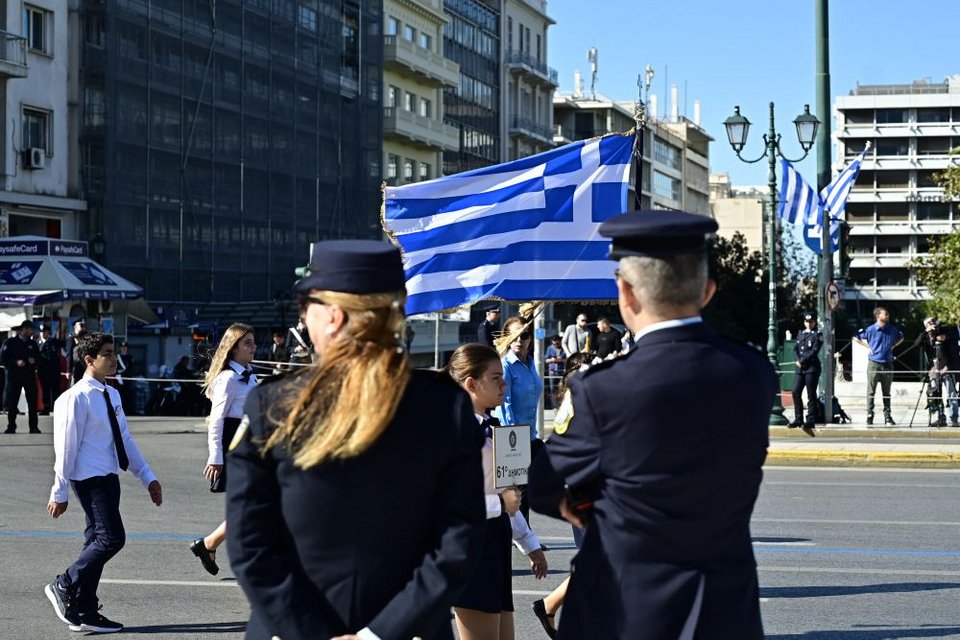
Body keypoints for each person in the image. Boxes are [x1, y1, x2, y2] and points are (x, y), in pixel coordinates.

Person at [528, 210, 776, 639]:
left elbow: (545, 485)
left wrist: (592, 511)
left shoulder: (601, 387)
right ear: (707, 290)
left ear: (625, 292)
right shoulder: (753, 372)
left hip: (625, 607)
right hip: (724, 607)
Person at [226, 239, 485, 640]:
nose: (302, 318)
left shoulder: (272, 404)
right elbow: (457, 544)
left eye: (305, 306)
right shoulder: (445, 407)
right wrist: (378, 635)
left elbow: (249, 543)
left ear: (332, 316)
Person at [45, 332, 163, 633]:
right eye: (107, 354)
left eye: (114, 352)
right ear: (89, 360)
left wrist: (147, 476)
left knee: (95, 540)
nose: (114, 358)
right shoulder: (75, 398)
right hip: (88, 478)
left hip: (109, 475)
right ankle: (65, 583)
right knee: (111, 538)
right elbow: (66, 449)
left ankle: (85, 608)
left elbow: (124, 439)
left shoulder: (112, 394)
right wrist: (59, 491)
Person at [444, 344, 548, 640]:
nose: (505, 384)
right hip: (469, 543)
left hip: (495, 538)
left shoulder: (493, 429)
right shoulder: (452, 432)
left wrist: (529, 542)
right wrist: (499, 504)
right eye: (496, 378)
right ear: (471, 384)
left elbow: (507, 493)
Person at [188, 323, 258, 576]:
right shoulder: (228, 379)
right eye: (247, 343)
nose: (253, 347)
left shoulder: (250, 375)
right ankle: (216, 547)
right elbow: (217, 421)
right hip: (236, 446)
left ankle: (209, 544)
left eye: (253, 342)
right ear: (233, 347)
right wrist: (215, 456)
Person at [494, 315, 544, 524]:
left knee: (527, 493)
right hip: (513, 439)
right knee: (517, 496)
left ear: (530, 338)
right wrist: (513, 442)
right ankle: (518, 535)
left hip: (530, 436)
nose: (518, 340)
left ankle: (524, 533)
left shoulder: (531, 363)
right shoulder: (506, 365)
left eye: (523, 335)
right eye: (512, 335)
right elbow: (504, 405)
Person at [853, 307, 904, 425]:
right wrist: (867, 347)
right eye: (885, 314)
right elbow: (856, 337)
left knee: (887, 392)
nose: (887, 316)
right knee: (871, 391)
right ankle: (870, 414)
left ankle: (887, 416)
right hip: (874, 363)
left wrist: (893, 346)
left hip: (887, 363)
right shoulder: (870, 329)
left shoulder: (892, 329)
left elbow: (901, 337)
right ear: (878, 316)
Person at [911, 317, 960, 427]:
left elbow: (955, 338)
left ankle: (954, 418)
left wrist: (945, 337)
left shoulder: (945, 330)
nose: (933, 323)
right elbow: (916, 344)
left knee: (952, 394)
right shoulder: (925, 336)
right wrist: (926, 332)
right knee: (936, 395)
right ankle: (940, 417)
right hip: (933, 370)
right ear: (926, 325)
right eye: (929, 322)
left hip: (947, 368)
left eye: (933, 321)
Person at [1, 320, 41, 433]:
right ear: (23, 329)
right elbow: (3, 358)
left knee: (32, 402)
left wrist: (34, 361)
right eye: (29, 329)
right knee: (13, 403)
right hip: (14, 377)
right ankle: (11, 426)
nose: (30, 332)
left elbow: (39, 358)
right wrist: (15, 362)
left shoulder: (32, 344)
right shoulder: (10, 342)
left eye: (31, 329)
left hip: (29, 376)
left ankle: (33, 427)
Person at [791, 311, 822, 436]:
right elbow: (795, 349)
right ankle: (798, 418)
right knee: (795, 391)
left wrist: (802, 360)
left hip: (811, 368)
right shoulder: (800, 333)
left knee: (811, 394)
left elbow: (814, 350)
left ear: (814, 322)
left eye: (811, 322)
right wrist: (797, 359)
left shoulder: (817, 335)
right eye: (806, 322)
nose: (808, 324)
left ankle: (811, 420)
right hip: (800, 368)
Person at [37, 325, 64, 415]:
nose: (42, 333)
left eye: (44, 331)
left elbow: (64, 344)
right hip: (43, 370)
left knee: (55, 389)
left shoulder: (53, 341)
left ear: (48, 332)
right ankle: (46, 407)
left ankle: (57, 407)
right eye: (41, 332)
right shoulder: (37, 342)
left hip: (53, 370)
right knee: (45, 389)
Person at [544, 335, 564, 410]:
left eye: (557, 344)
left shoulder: (564, 348)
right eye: (554, 344)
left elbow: (567, 359)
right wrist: (552, 360)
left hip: (561, 371)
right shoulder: (550, 348)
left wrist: (560, 360)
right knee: (552, 389)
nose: (555, 345)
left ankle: (561, 405)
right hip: (552, 371)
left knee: (561, 389)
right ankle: (554, 406)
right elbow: (546, 360)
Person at [64, 320, 87, 386]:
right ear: (75, 327)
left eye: (84, 326)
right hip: (76, 367)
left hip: (84, 367)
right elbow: (69, 355)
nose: (83, 327)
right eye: (81, 326)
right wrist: (69, 370)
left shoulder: (85, 338)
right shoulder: (72, 338)